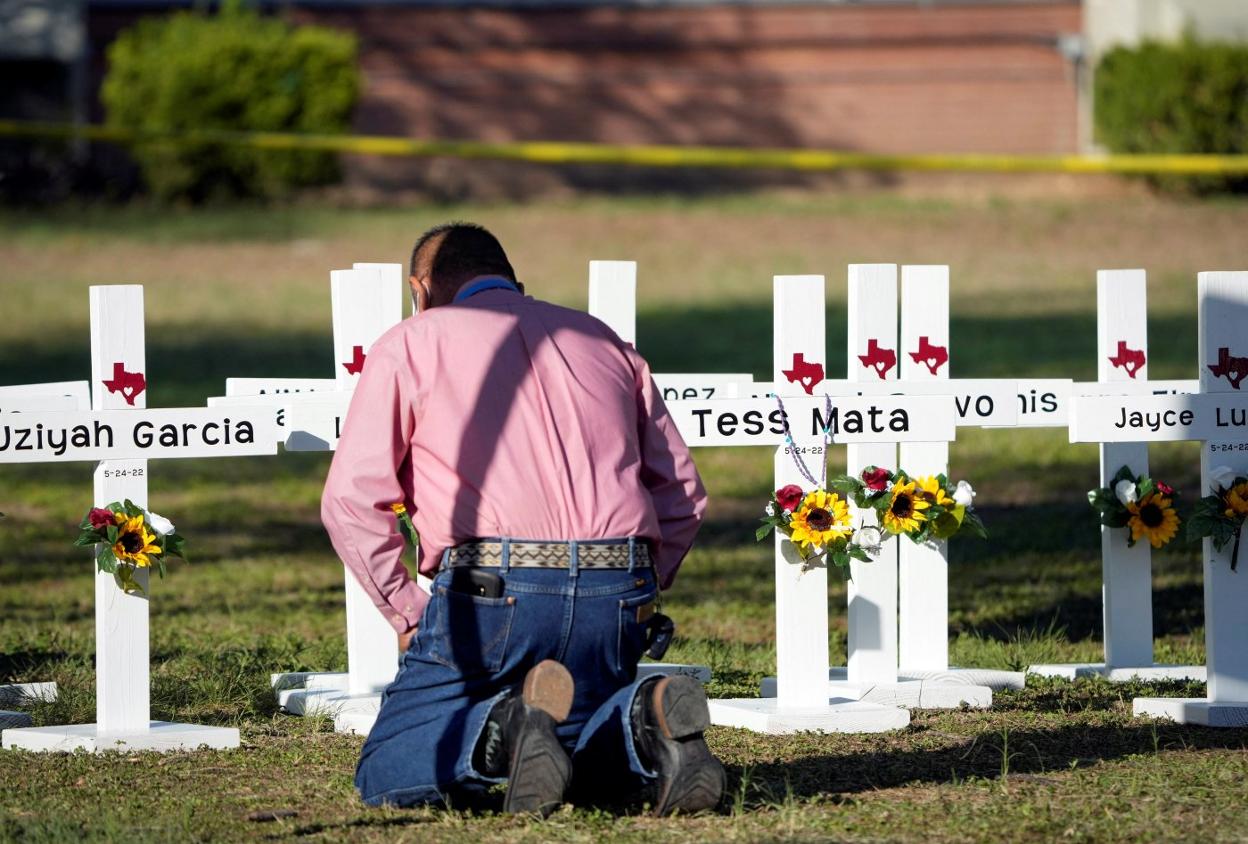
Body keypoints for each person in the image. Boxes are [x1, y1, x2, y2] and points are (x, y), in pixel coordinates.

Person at [320, 222, 724, 816]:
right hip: (618, 580)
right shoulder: (601, 339)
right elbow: (682, 491)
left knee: (387, 764)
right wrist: (645, 582)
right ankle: (648, 725)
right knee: (571, 738)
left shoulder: (412, 340)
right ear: (516, 283)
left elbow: (352, 500)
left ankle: (501, 731)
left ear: (421, 288)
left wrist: (405, 609)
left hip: (494, 586)